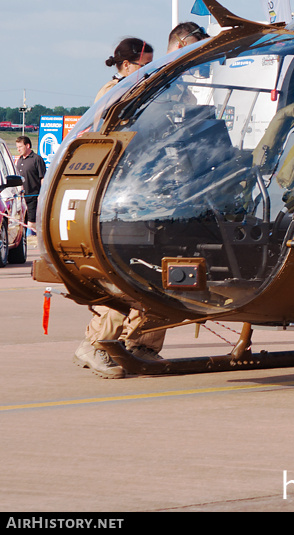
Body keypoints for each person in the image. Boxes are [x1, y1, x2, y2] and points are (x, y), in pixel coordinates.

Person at [74, 37, 163, 379]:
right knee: (124, 275)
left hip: (147, 195)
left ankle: (141, 343)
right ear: (127, 67)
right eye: (146, 66)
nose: (151, 72)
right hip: (119, 199)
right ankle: (96, 344)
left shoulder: (145, 91)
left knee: (159, 275)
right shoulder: (113, 93)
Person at [94, 37, 154, 103]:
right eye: (145, 65)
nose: (148, 69)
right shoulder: (111, 90)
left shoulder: (141, 86)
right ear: (126, 65)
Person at [13, 135, 45, 230]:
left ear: (27, 146)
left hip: (33, 197)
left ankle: (38, 240)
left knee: (32, 224)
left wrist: (42, 194)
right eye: (17, 147)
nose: (18, 149)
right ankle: (25, 242)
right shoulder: (19, 160)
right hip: (21, 199)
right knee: (22, 225)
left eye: (20, 147)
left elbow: (42, 178)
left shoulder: (37, 159)